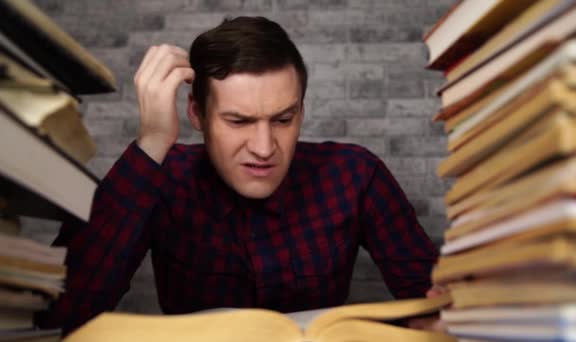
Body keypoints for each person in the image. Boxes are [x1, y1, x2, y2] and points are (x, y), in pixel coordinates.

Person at [35, 16, 440, 334]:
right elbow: (63, 316)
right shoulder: (163, 180)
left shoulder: (355, 174)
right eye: (238, 121)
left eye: (283, 119)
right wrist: (153, 140)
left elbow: (435, 302)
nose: (264, 148)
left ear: (301, 110)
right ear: (197, 114)